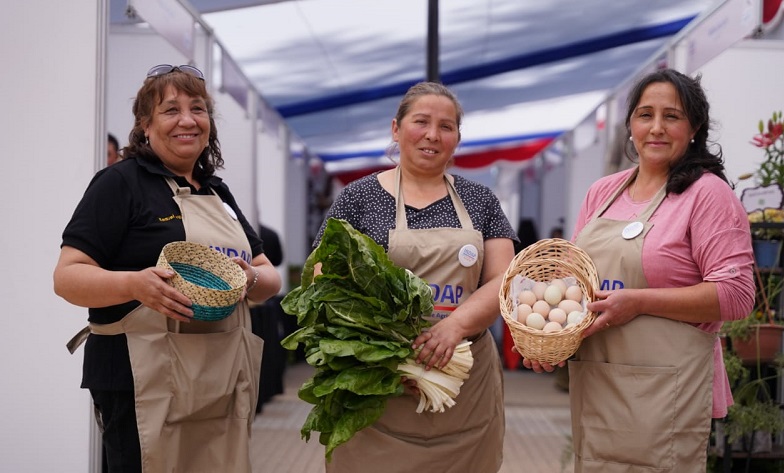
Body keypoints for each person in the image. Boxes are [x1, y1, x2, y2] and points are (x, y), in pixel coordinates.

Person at [522, 68, 755, 471]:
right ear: (630, 125)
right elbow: (573, 285)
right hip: (600, 382)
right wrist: (549, 338)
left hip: (666, 391)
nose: (657, 128)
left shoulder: (707, 194)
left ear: (694, 127)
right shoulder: (603, 192)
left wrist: (638, 303)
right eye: (646, 115)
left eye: (673, 116)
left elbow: (736, 296)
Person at [54, 64, 281, 473]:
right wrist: (135, 284)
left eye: (198, 108)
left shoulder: (216, 191)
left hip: (220, 379)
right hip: (140, 378)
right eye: (171, 110)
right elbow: (67, 277)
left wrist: (250, 278)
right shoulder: (119, 183)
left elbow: (269, 277)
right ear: (145, 125)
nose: (188, 120)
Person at [313, 81, 517, 472]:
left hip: (462, 381)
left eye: (446, 126)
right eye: (421, 121)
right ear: (396, 129)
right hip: (377, 382)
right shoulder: (359, 198)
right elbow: (325, 280)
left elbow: (503, 280)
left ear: (457, 137)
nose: (432, 135)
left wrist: (453, 328)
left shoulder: (480, 200)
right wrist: (391, 357)